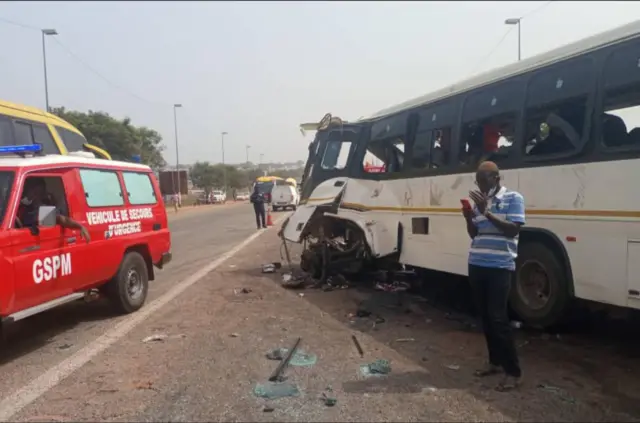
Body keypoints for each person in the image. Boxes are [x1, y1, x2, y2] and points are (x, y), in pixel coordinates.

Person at [462, 160, 524, 392]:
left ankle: (513, 372)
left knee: (498, 318)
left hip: (499, 266)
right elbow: (474, 234)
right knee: (486, 317)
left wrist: (486, 212)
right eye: (477, 181)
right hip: (477, 263)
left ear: (496, 178)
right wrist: (469, 216)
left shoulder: (514, 198)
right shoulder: (480, 203)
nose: (480, 185)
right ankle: (495, 363)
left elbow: (513, 229)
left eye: (484, 180)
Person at [16, 177, 90, 242]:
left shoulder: (42, 211)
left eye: (28, 190)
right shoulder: (21, 207)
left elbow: (61, 219)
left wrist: (80, 226)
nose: (24, 192)